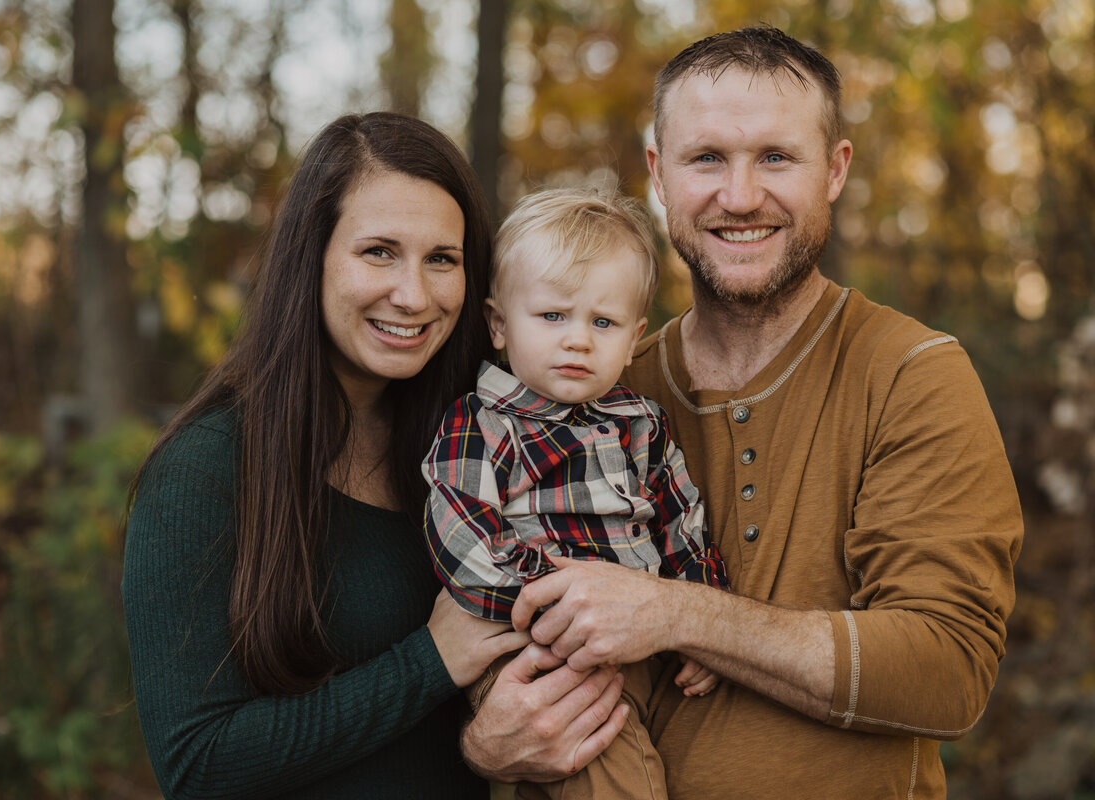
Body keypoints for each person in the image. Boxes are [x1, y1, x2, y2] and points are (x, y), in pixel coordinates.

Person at [461, 26, 1023, 798]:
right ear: (659, 174)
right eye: (707, 158)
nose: (740, 196)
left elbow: (948, 668)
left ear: (836, 169)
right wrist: (483, 742)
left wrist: (679, 615)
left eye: (776, 157)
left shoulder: (910, 374)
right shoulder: (594, 387)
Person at [121, 111, 536, 799]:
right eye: (378, 252)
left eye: (442, 259)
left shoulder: (476, 441)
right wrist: (428, 662)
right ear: (311, 257)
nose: (414, 295)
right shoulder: (205, 471)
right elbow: (197, 766)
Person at [422, 188, 729, 799]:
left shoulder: (640, 420)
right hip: (539, 650)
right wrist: (559, 607)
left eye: (604, 322)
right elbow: (463, 534)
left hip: (640, 640)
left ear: (635, 333)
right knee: (615, 773)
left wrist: (697, 617)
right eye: (553, 316)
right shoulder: (482, 423)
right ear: (499, 324)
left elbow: (680, 521)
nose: (578, 340)